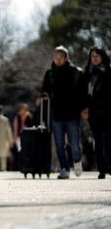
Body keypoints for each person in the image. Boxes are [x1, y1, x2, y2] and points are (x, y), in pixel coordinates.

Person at [41, 45, 88, 179]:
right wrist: (45, 95)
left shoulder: (76, 72)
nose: (58, 60)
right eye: (55, 58)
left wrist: (84, 108)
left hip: (73, 114)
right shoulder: (50, 73)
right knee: (59, 144)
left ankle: (77, 161)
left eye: (60, 57)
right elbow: (45, 89)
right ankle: (64, 168)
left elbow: (83, 93)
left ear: (67, 58)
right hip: (57, 114)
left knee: (74, 144)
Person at [82, 46, 111, 179]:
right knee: (98, 141)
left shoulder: (108, 71)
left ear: (102, 57)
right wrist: (84, 108)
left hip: (108, 111)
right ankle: (101, 169)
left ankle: (109, 165)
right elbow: (82, 93)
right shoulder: (87, 72)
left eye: (97, 56)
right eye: (92, 56)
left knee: (109, 140)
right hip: (93, 112)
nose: (94, 58)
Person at [12, 103, 33, 169]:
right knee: (20, 151)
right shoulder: (17, 117)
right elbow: (15, 128)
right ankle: (20, 165)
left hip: (28, 136)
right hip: (19, 136)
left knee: (27, 151)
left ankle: (28, 165)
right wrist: (15, 138)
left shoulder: (29, 116)